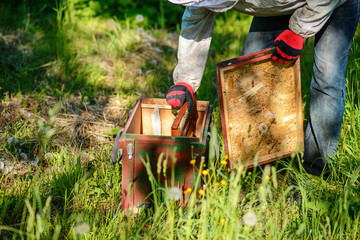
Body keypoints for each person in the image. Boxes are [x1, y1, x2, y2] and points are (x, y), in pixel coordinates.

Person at [165, 0, 360, 178]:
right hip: (279, 5)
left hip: (334, 3)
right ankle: (261, 161)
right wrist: (185, 80)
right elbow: (196, 19)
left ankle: (317, 169)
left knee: (327, 78)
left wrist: (299, 31)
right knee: (250, 70)